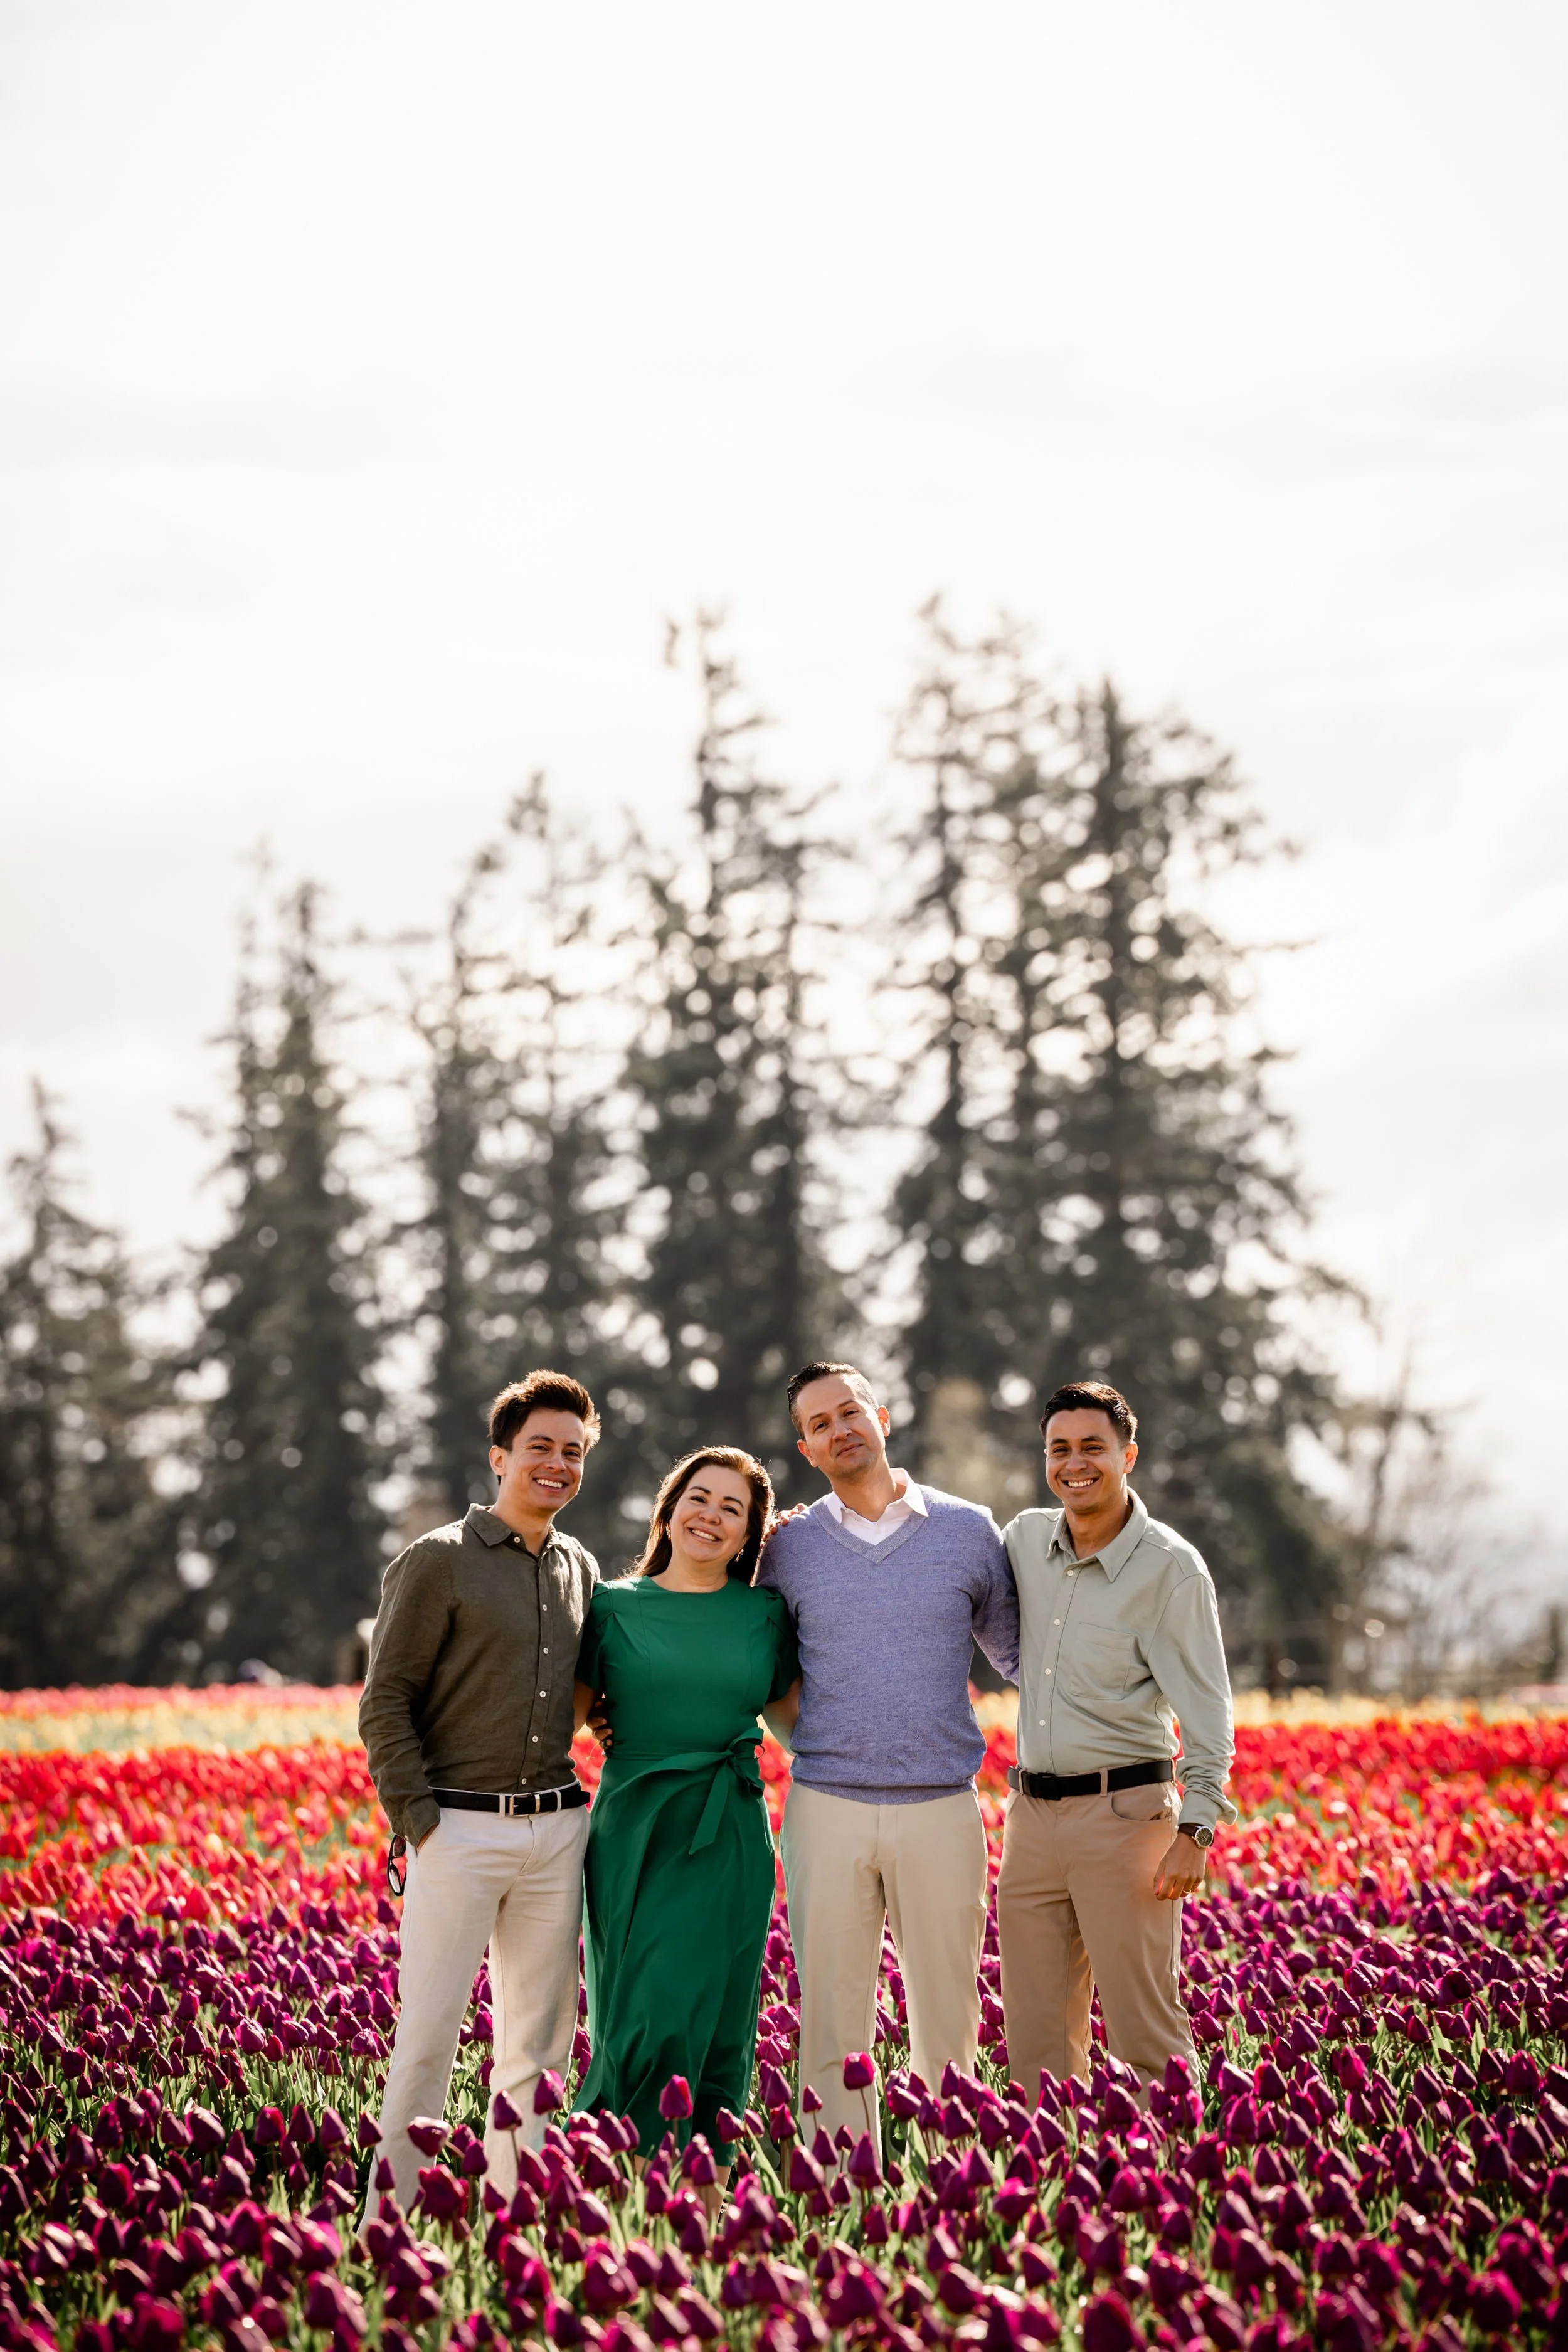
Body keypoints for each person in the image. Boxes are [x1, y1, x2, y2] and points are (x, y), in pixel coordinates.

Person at [758, 1362, 1019, 2161]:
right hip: (825, 1809)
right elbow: (766, 1678)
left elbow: (1021, 1660)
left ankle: (955, 2185)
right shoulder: (787, 1549)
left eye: (849, 1412)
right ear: (806, 1449)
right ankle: (834, 2183)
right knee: (832, 2016)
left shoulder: (969, 1530)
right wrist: (822, 1744)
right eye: (819, 1424)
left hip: (941, 1807)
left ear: (880, 1414)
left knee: (950, 2015)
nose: (840, 1430)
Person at [359, 1369, 601, 2210]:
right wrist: (421, 1823)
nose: (557, 1464)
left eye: (573, 1451)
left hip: (558, 1830)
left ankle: (517, 2214)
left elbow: (592, 1692)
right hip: (456, 1831)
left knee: (537, 2046)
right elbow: (383, 1698)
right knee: (425, 2037)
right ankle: (390, 2220)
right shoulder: (437, 1561)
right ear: (500, 1456)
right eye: (540, 1447)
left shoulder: (580, 1566)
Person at [997, 1378, 1236, 2099]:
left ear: (1127, 1455)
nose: (1075, 1463)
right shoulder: (1024, 1541)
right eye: (1059, 1448)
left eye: (1092, 1448)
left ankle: (1178, 2188)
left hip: (1125, 1818)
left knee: (1143, 2031)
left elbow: (1207, 1709)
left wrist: (1196, 1829)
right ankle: (1054, 2192)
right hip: (1031, 1820)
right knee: (1034, 2036)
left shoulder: (1170, 1570)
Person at [571, 1448, 798, 2182]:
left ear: (747, 1538)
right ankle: (618, 2185)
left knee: (719, 2020)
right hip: (634, 1832)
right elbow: (560, 1715)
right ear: (668, 1509)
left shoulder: (766, 1614)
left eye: (733, 1510)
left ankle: (700, 2200)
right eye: (700, 1498)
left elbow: (803, 1721)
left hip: (728, 1832)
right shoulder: (610, 1606)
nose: (712, 1516)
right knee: (641, 2016)